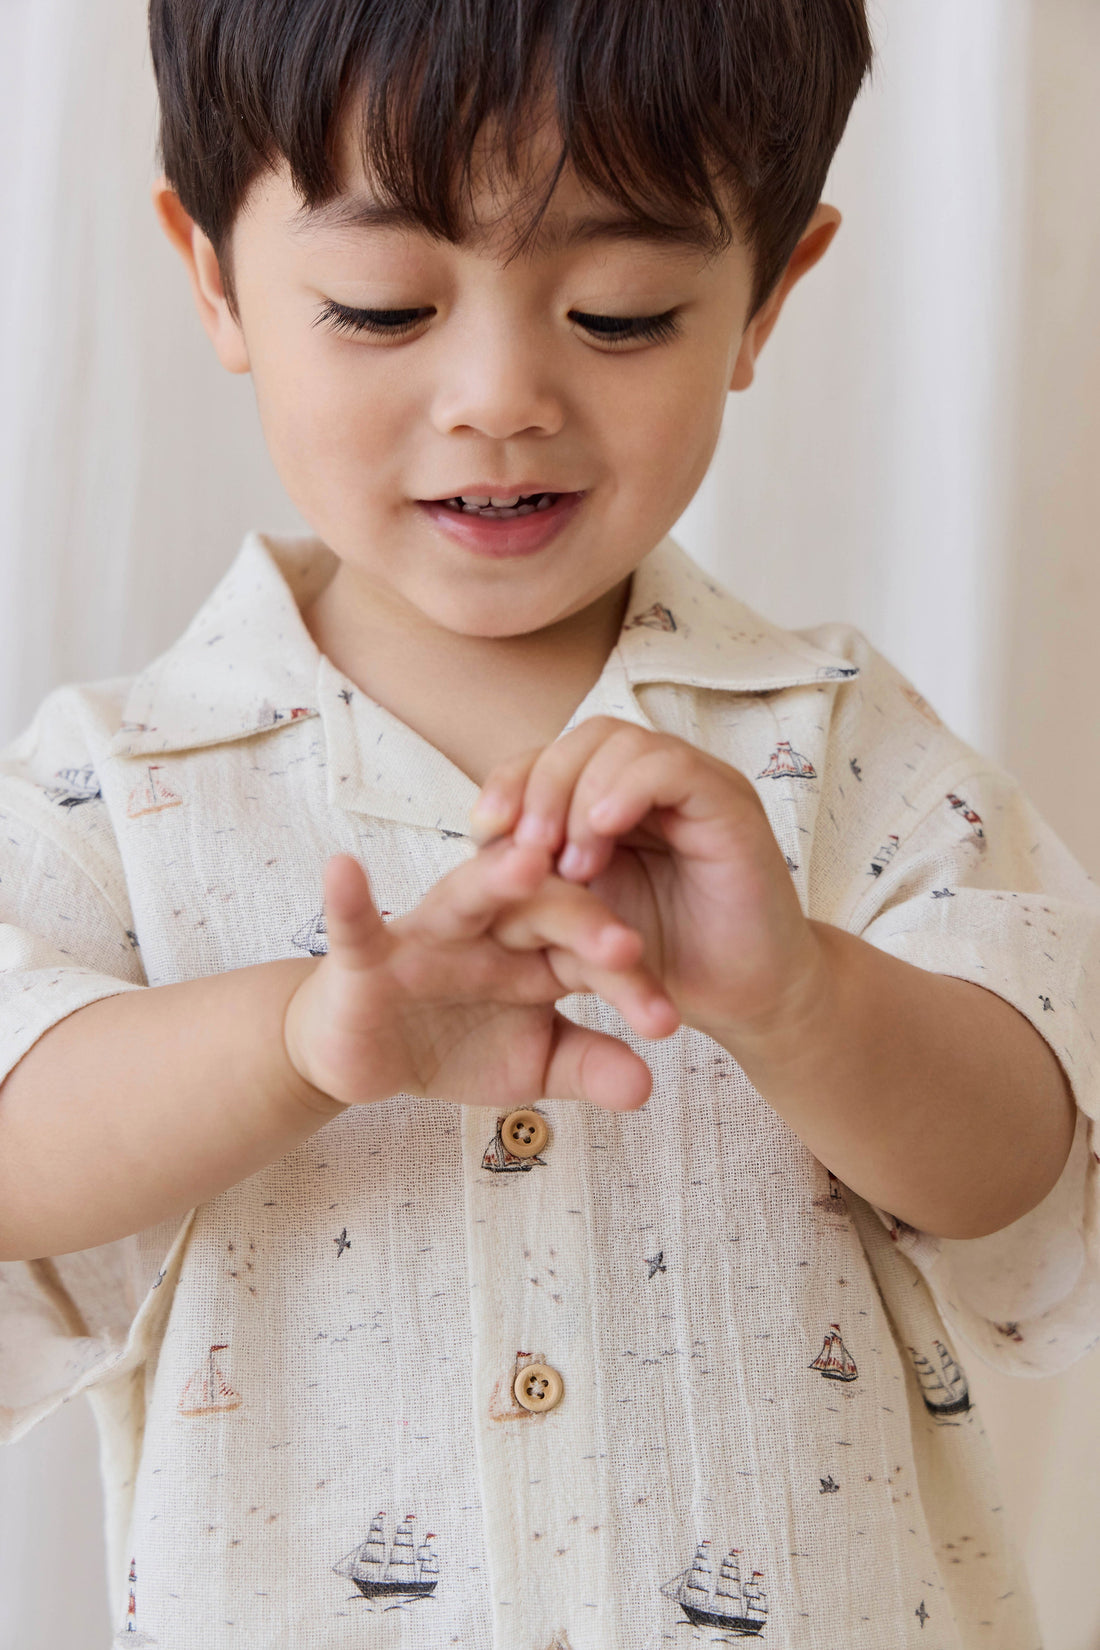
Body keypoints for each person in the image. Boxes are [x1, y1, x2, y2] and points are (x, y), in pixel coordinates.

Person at [0, 1, 1096, 1645]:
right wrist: (296, 1041)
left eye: (621, 312)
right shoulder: (120, 787)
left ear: (769, 292)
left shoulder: (845, 742)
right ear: (214, 274)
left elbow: (1035, 1182)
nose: (501, 395)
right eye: (380, 308)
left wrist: (801, 996)